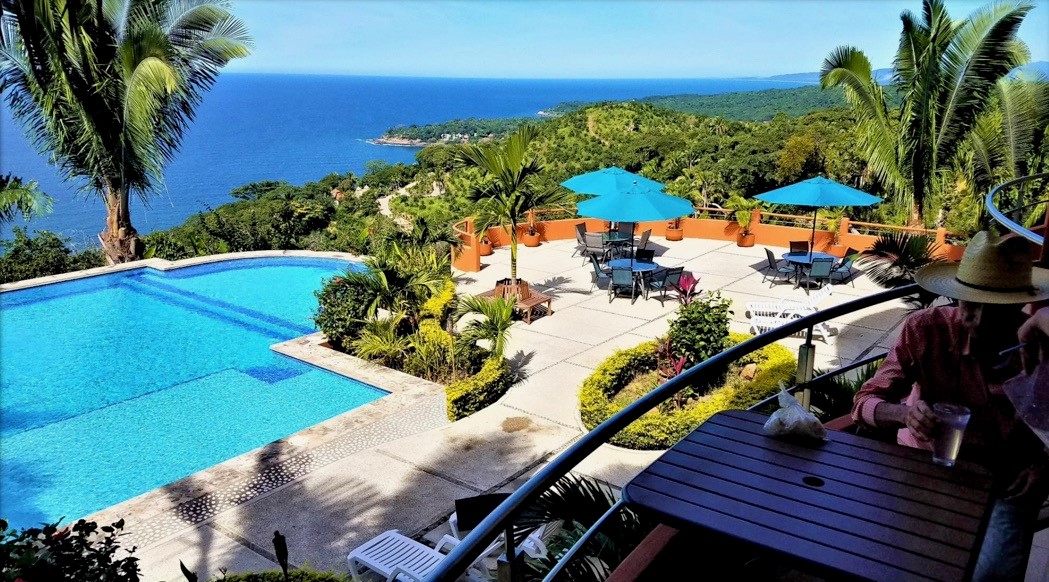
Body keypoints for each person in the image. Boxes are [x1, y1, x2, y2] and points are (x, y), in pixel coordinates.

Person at [851, 231, 1049, 581]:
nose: (978, 320)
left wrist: (1043, 467)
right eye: (969, 304)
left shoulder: (1038, 348)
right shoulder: (926, 330)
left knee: (992, 573)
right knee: (880, 554)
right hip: (923, 467)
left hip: (1004, 481)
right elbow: (864, 402)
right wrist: (903, 414)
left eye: (995, 309)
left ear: (1018, 305)